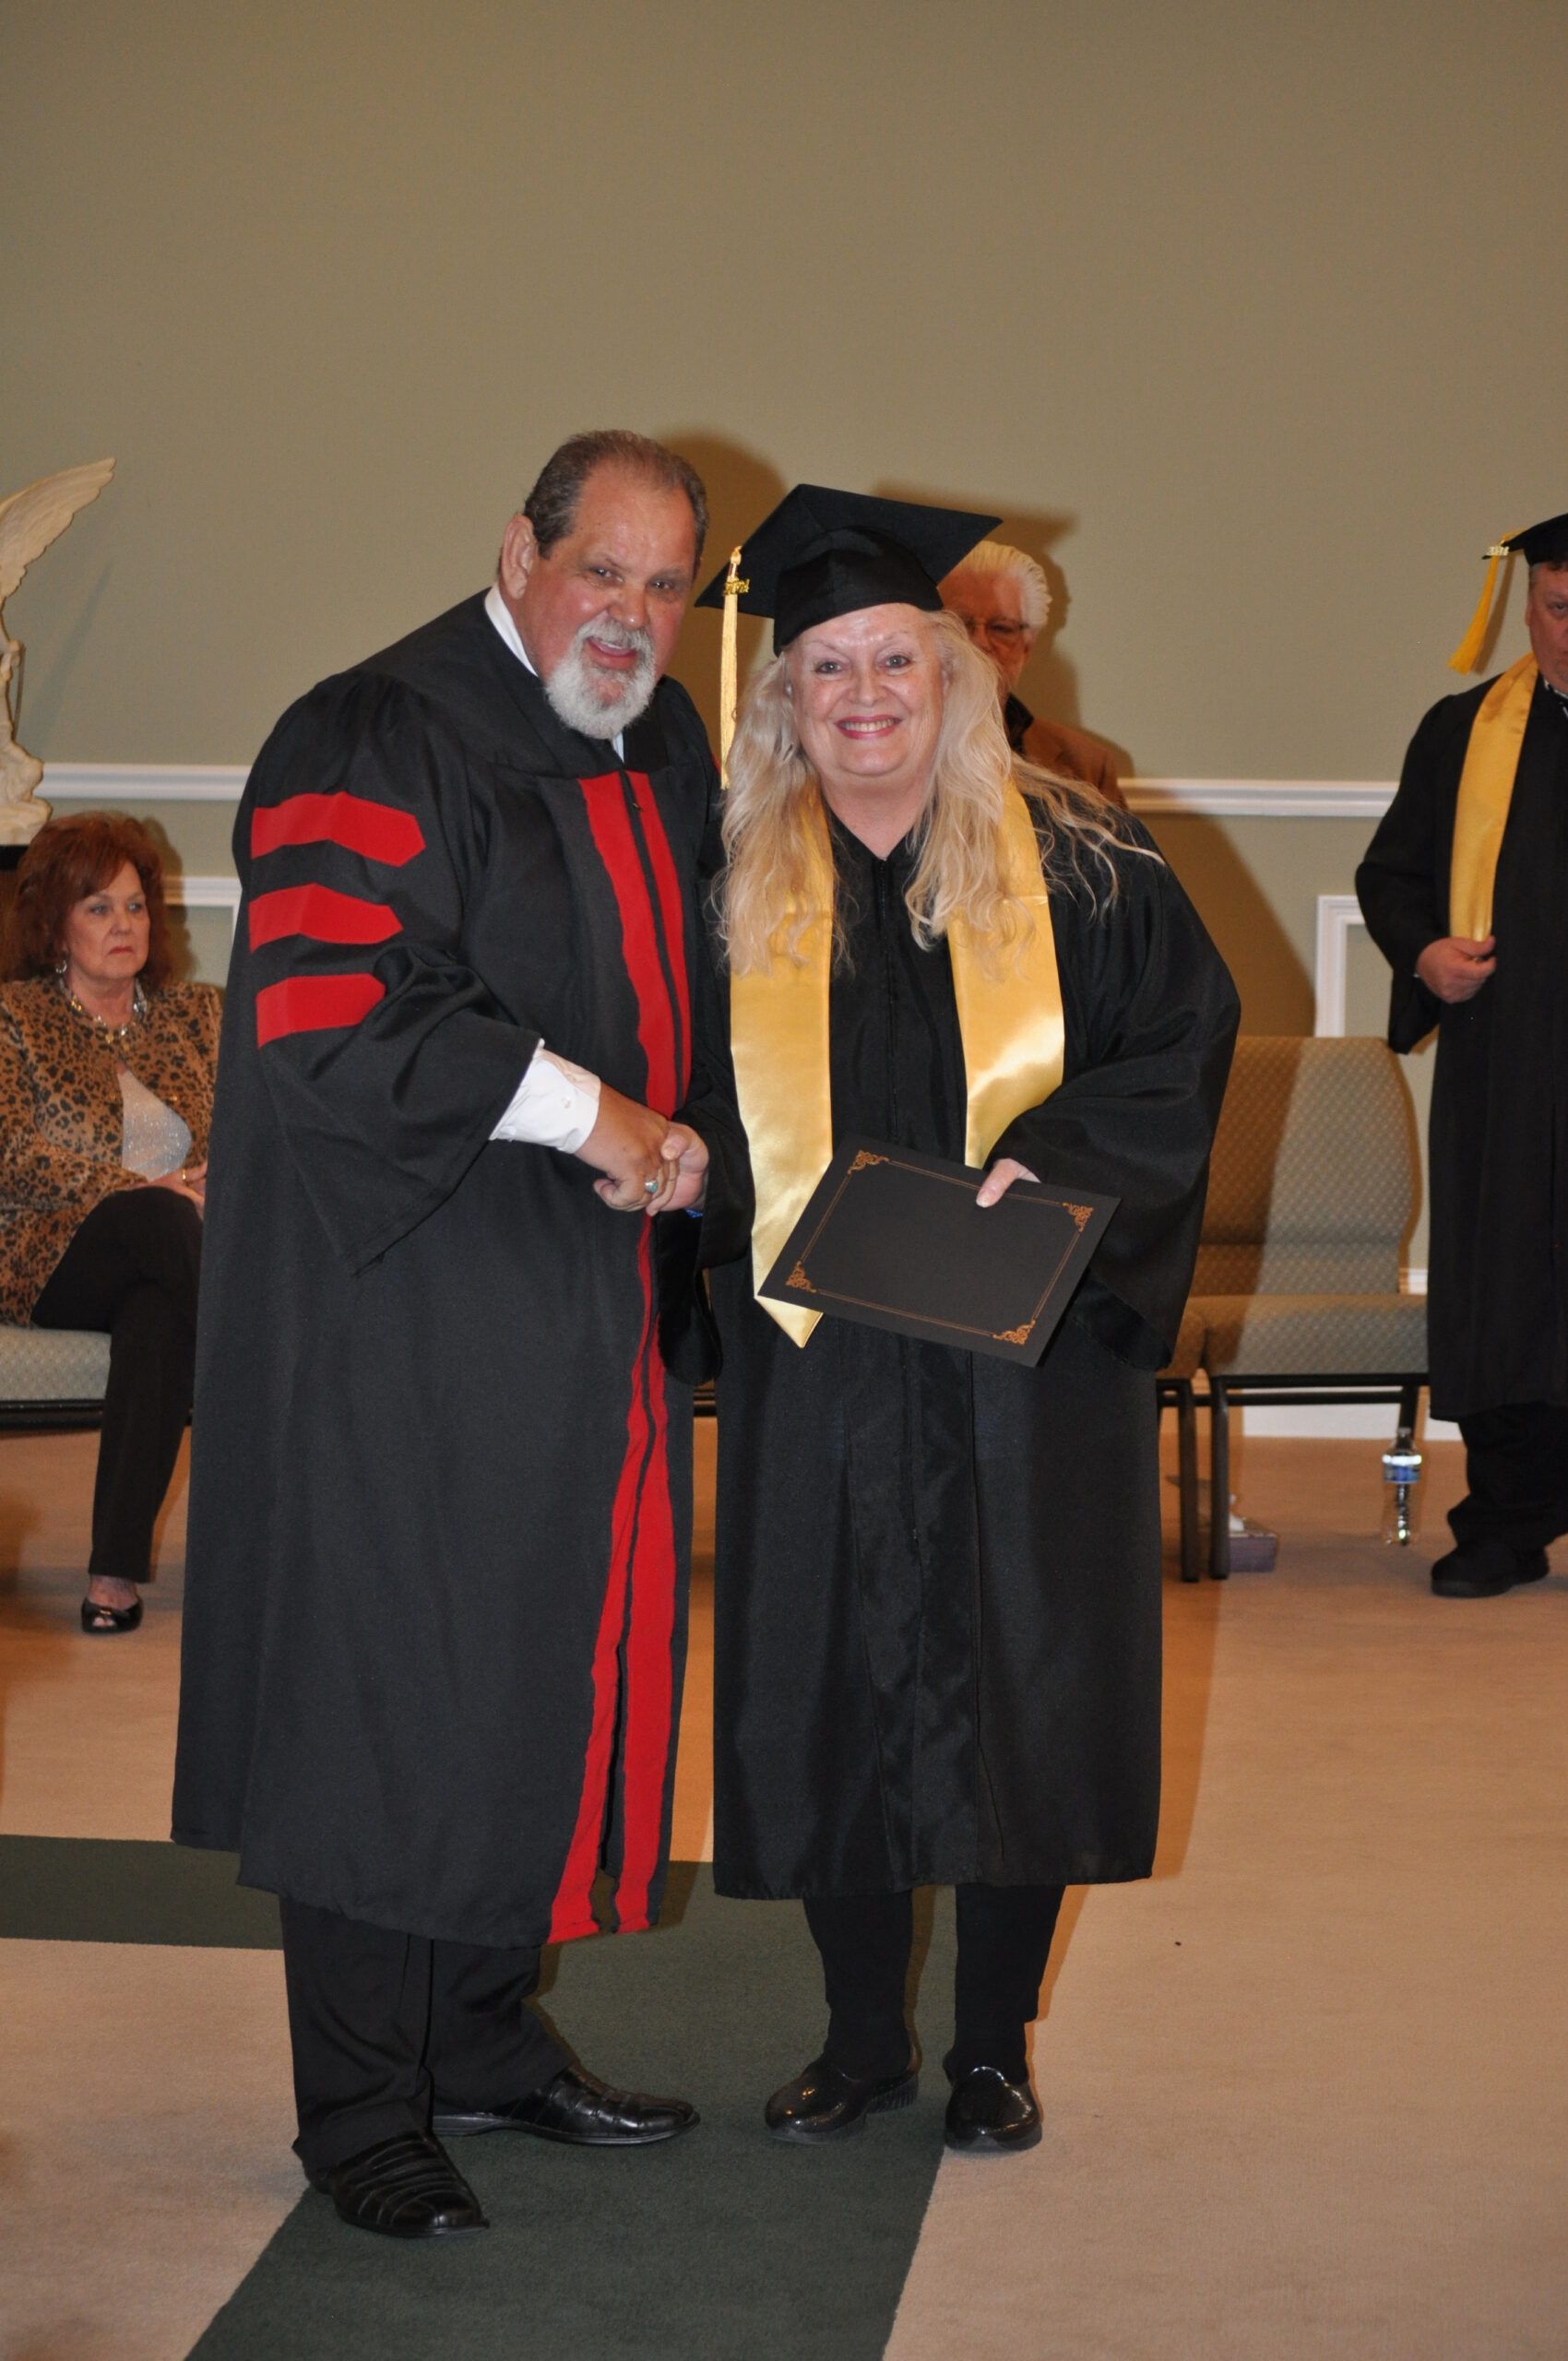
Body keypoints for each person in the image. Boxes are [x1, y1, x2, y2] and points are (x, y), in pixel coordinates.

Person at [172, 432, 744, 2241]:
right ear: (518, 550)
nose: (634, 617)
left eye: (668, 587)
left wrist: (701, 1140)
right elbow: (339, 1014)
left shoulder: (652, 738)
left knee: (537, 1662)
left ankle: (488, 2038)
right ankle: (361, 2105)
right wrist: (603, 1122)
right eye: (604, 571)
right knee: (386, 1688)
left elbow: (689, 987)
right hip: (395, 1304)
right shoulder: (371, 732)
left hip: (579, 1297)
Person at [695, 488, 1237, 2153]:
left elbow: (1180, 1042)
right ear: (784, 696)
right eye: (828, 669)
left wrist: (1057, 1166)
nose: (864, 697)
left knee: (1023, 1685)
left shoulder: (1078, 852)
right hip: (825, 1353)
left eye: (894, 663)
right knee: (831, 1687)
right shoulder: (721, 875)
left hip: (1027, 1346)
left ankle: (991, 2045)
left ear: (956, 677)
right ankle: (862, 2040)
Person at [1357, 511, 1568, 1599]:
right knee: (1504, 1289)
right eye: (1558, 608)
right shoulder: (1461, 728)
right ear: (1524, 607)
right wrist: (1423, 954)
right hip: (1506, 1061)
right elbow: (1387, 877)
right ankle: (1504, 1519)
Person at [0, 813, 216, 1633]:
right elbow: (14, 1154)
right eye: (97, 908)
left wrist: (211, 1182)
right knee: (159, 1219)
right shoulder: (14, 1018)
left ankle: (113, 1577)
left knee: (158, 1317)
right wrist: (148, 1184)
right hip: (49, 1253)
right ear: (54, 921)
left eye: (133, 907)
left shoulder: (197, 1016)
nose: (122, 926)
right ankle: (294, 1389)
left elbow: (249, 1133)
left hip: (175, 1250)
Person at [940, 538, 1126, 804]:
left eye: (1001, 628)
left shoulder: (1088, 766)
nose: (980, 642)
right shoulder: (886, 749)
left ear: (1027, 647)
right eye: (960, 624)